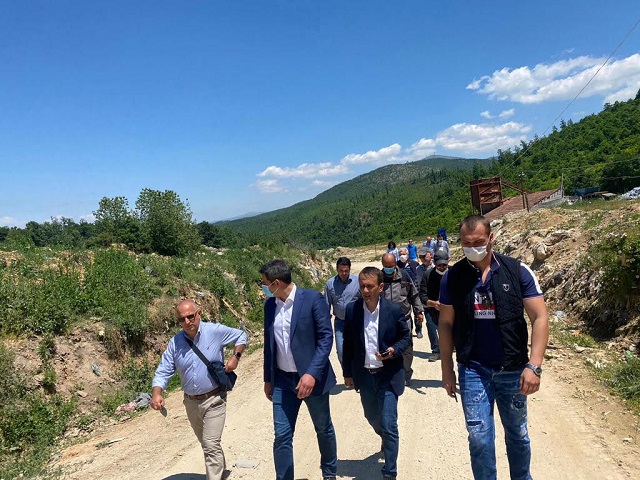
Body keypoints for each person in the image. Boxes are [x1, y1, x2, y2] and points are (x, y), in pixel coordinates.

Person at [438, 215, 549, 480]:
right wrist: (447, 370)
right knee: (479, 438)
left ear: (491, 238)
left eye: (478, 242)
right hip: (474, 369)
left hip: (512, 369)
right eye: (466, 243)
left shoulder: (517, 271)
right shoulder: (453, 277)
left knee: (518, 434)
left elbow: (539, 316)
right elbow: (445, 324)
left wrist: (534, 365)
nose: (472, 247)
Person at [151, 300, 247, 480]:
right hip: (191, 402)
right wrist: (157, 393)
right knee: (206, 443)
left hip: (215, 398)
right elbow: (164, 369)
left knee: (210, 444)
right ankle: (220, 470)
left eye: (191, 316)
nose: (187, 321)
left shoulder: (214, 331)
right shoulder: (175, 343)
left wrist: (236, 356)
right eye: (182, 319)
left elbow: (241, 335)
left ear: (199, 314)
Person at [261, 259, 338, 480]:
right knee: (282, 435)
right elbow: (269, 344)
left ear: (276, 283)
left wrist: (311, 373)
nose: (263, 287)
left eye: (264, 283)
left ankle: (329, 473)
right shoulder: (270, 305)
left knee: (323, 428)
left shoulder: (312, 299)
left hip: (312, 380)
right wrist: (268, 378)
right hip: (282, 382)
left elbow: (326, 338)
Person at [342, 267, 411, 480]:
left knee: (389, 424)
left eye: (370, 286)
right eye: (362, 286)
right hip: (365, 376)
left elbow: (406, 337)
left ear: (380, 287)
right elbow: (348, 343)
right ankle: (384, 437)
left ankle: (390, 472)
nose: (365, 290)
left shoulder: (393, 310)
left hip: (388, 375)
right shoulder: (352, 310)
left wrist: (393, 350)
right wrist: (347, 372)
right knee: (372, 417)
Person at [381, 253, 424, 386]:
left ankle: (406, 375)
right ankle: (388, 375)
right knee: (386, 347)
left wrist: (419, 311)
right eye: (386, 266)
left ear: (395, 264)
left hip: (404, 319)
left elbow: (414, 295)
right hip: (385, 320)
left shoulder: (404, 276)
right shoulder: (379, 278)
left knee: (407, 348)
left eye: (391, 266)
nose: (389, 269)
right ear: (382, 265)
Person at [324, 256, 361, 367]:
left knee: (358, 350)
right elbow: (326, 305)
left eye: (346, 271)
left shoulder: (358, 282)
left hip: (356, 321)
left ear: (349, 269)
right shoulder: (330, 284)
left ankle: (357, 374)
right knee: (341, 352)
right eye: (341, 271)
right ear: (337, 269)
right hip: (340, 323)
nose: (344, 273)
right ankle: (348, 373)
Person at [419, 250, 447, 361]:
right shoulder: (427, 274)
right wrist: (432, 303)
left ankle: (451, 346)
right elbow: (422, 294)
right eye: (439, 265)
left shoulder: (453, 273)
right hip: (431, 307)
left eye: (444, 265)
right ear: (434, 263)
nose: (442, 267)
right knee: (432, 328)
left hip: (449, 308)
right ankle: (436, 351)